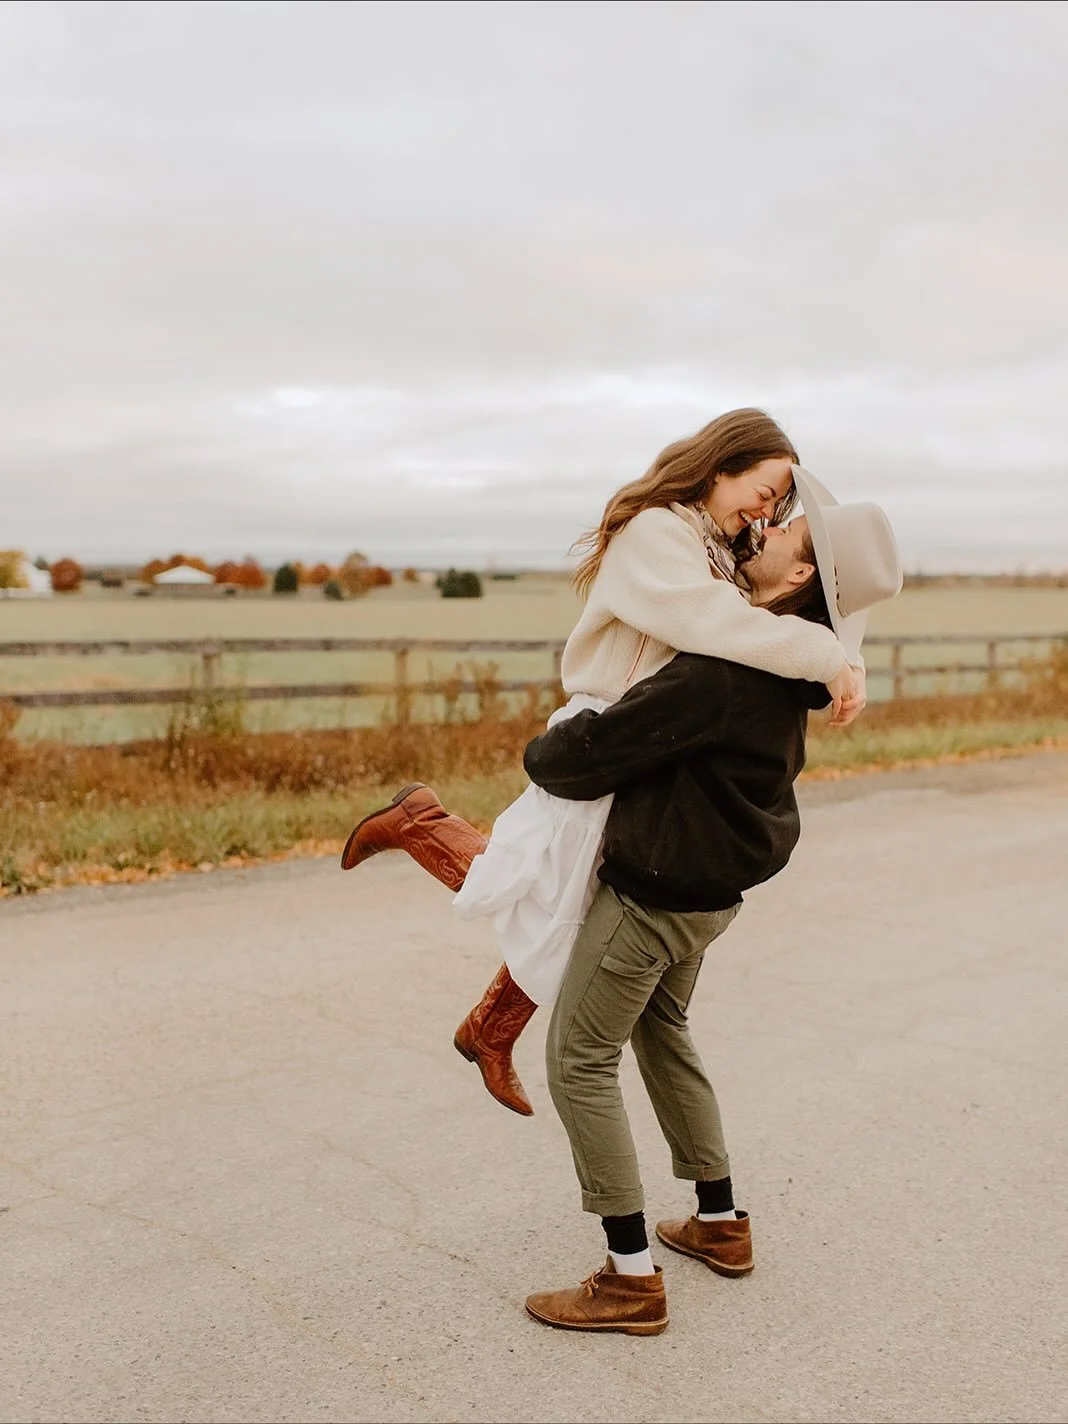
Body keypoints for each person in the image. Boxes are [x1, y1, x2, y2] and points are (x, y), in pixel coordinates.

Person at [341, 412, 865, 1117]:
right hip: (605, 732)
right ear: (721, 468)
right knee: (530, 882)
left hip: (645, 743)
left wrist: (841, 648)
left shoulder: (714, 543)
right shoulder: (659, 534)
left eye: (778, 506)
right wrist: (830, 660)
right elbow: (718, 626)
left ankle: (488, 1031)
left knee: (575, 904)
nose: (766, 512)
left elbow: (779, 615)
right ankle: (419, 820)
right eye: (766, 491)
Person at [519, 479, 903, 1335]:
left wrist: (541, 748)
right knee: (663, 1033)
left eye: (782, 527)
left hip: (658, 891)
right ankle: (721, 1222)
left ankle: (628, 1280)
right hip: (710, 894)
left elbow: (590, 755)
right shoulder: (788, 664)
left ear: (799, 570)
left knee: (579, 1059)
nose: (762, 528)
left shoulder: (729, 668)